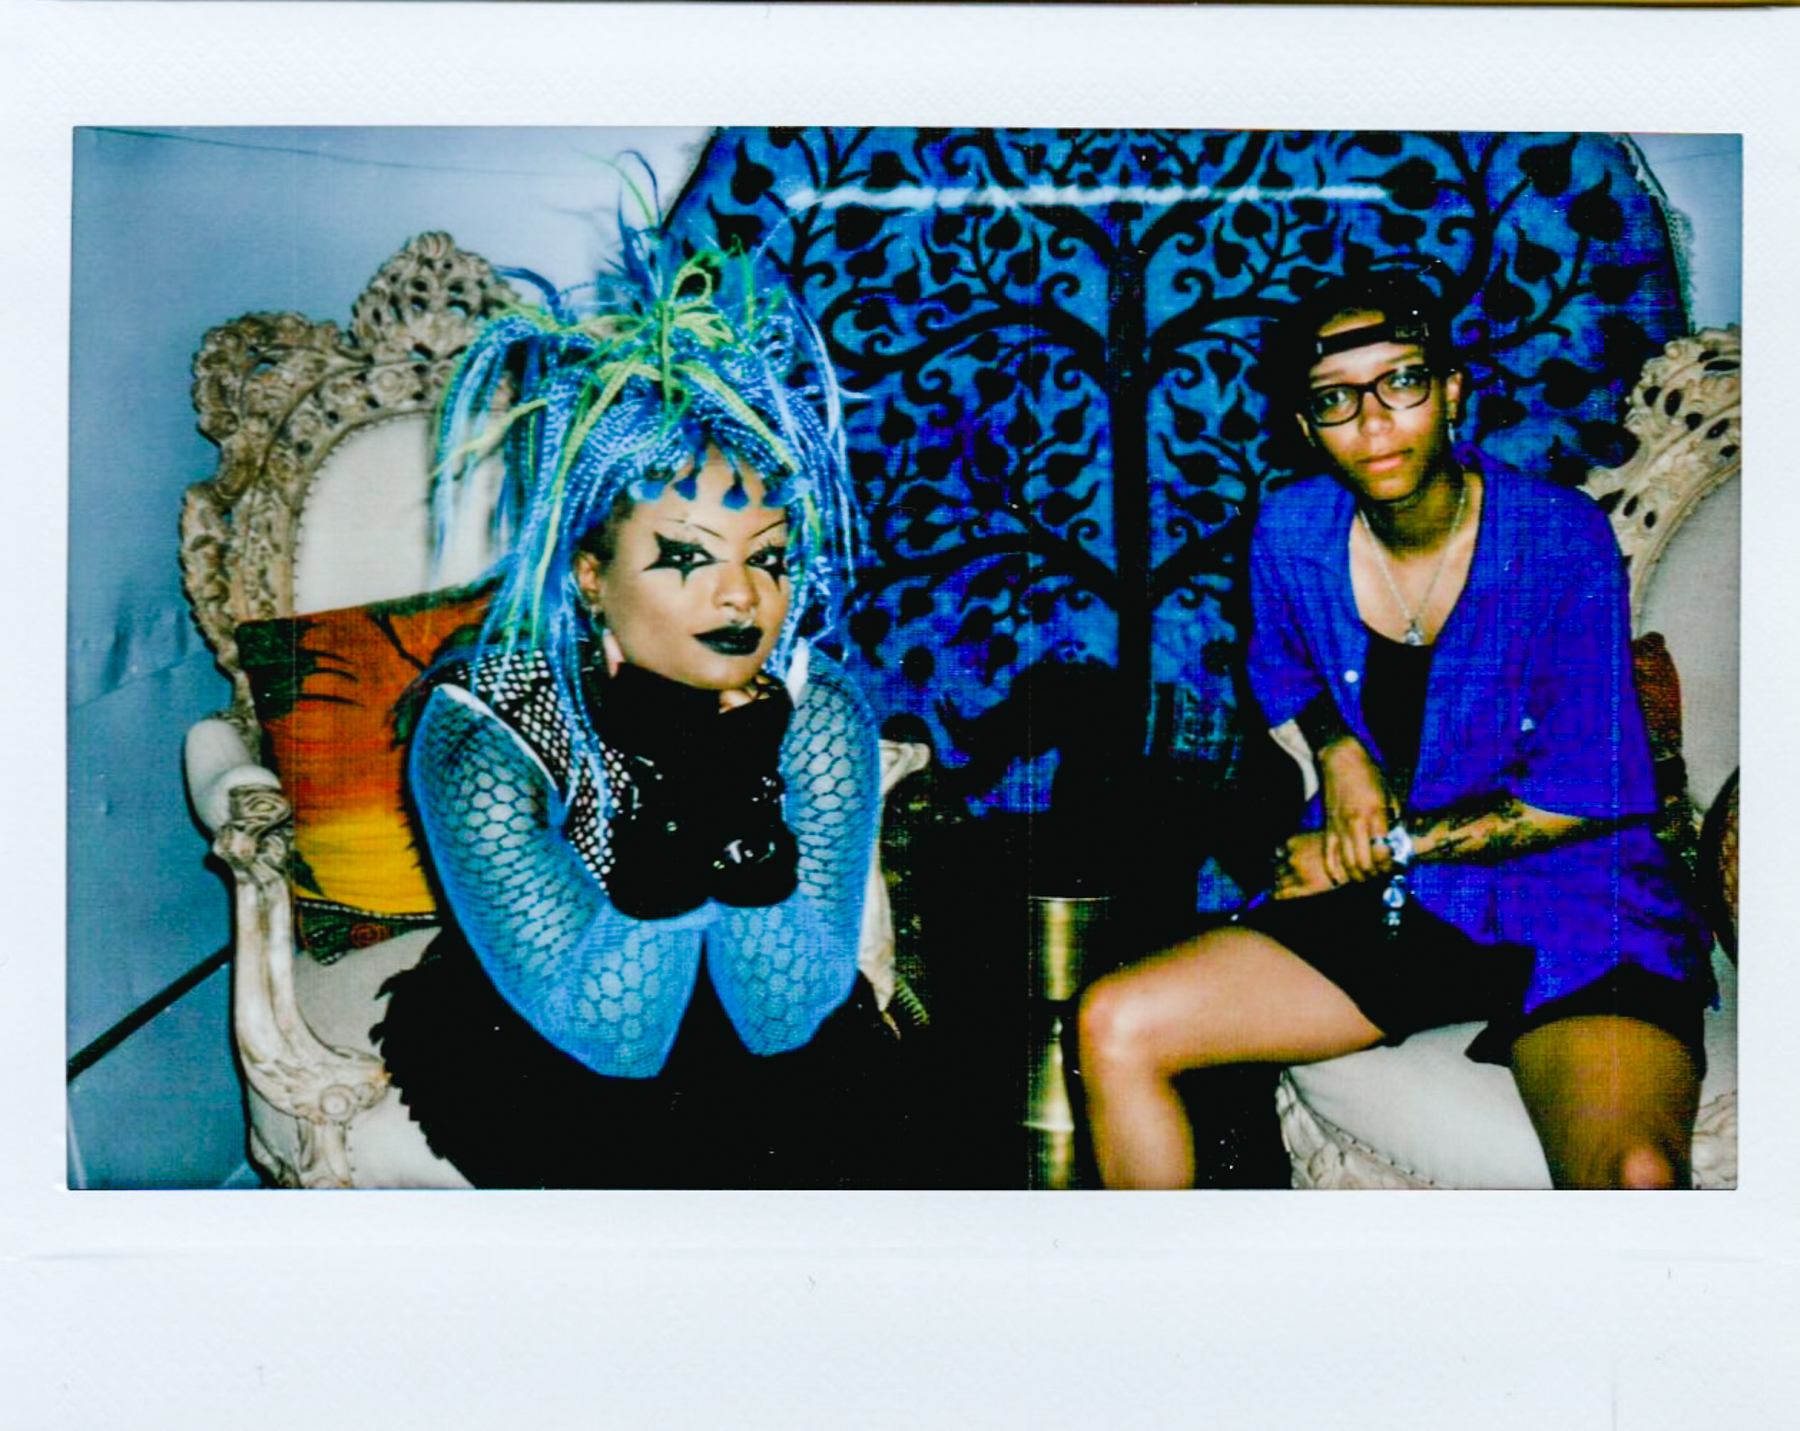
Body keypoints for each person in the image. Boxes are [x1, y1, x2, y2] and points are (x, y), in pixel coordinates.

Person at [1078, 268, 1714, 1190]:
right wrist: (1336, 748)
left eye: (1402, 382)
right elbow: (1280, 667)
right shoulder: (1291, 531)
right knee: (1114, 1023)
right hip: (1402, 911)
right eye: (1335, 398)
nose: (1373, 421)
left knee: (1636, 1176)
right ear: (1307, 427)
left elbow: (1587, 793)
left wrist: (1380, 847)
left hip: (1574, 900)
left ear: (1452, 390)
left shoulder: (1560, 540)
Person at [372, 237, 897, 1188]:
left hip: (765, 1039)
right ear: (591, 577)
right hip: (549, 1040)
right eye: (688, 557)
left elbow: (786, 1019)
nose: (741, 595)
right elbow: (618, 1041)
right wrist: (683, 785)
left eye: (768, 558)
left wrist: (734, 779)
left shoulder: (815, 709)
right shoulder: (485, 734)